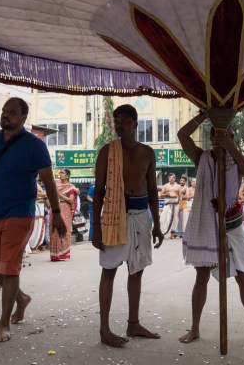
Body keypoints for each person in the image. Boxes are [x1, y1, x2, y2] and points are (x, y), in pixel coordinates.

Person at [0, 97, 66, 343]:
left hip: (19, 213)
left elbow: (48, 181)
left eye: (12, 112)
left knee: (9, 267)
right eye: (4, 111)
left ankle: (4, 323)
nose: (6, 115)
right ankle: (21, 298)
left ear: (23, 117)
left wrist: (57, 213)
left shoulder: (34, 145)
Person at [177, 112, 244, 346]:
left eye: (227, 134)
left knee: (243, 276)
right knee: (201, 276)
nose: (222, 137)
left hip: (232, 223)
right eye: (218, 134)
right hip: (208, 223)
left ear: (232, 137)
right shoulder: (202, 157)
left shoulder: (235, 159)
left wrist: (230, 146)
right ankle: (195, 328)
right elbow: (182, 135)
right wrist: (205, 115)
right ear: (211, 137)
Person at [92, 104, 163, 347]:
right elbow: (98, 191)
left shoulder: (147, 152)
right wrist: (96, 227)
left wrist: (157, 224)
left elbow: (152, 189)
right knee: (109, 269)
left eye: (124, 121)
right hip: (115, 213)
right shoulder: (107, 152)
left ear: (135, 124)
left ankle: (133, 323)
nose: (119, 125)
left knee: (137, 269)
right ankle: (104, 329)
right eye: (117, 121)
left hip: (141, 213)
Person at [51, 168, 77, 261]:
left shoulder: (70, 187)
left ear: (67, 176)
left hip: (65, 209)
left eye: (62, 173)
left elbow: (71, 200)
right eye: (60, 173)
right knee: (54, 230)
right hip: (54, 208)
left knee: (64, 229)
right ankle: (55, 254)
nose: (60, 174)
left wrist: (60, 195)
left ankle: (63, 254)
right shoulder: (55, 184)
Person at [159, 172, 181, 238]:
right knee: (164, 218)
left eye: (172, 178)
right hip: (167, 204)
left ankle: (172, 234)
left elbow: (180, 196)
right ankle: (164, 232)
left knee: (175, 219)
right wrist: (167, 194)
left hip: (175, 204)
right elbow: (161, 195)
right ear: (168, 179)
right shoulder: (165, 186)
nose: (171, 179)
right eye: (170, 178)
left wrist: (181, 205)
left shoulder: (178, 186)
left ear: (175, 179)